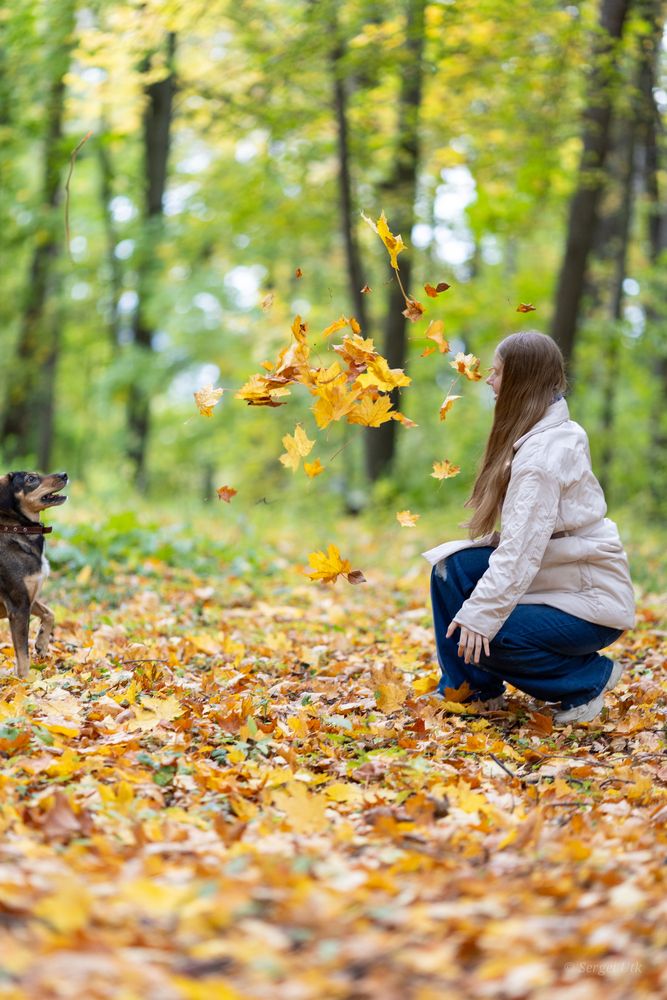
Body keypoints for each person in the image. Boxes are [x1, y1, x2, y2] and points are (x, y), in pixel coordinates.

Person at [422, 331, 635, 725]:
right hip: (558, 575)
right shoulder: (543, 430)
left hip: (587, 601)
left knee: (490, 635)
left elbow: (520, 555)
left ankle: (587, 680)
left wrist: (479, 616)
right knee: (450, 569)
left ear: (520, 380)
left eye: (497, 372)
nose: (489, 380)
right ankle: (473, 691)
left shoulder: (541, 459)